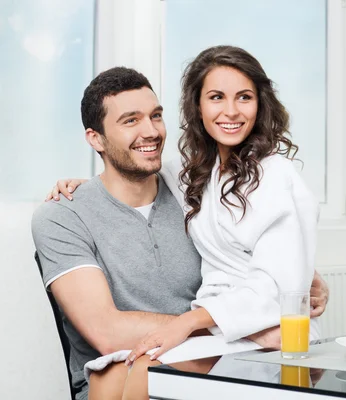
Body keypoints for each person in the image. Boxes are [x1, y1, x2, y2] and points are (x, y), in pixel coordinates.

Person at [38, 46, 327, 400]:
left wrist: (303, 279)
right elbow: (107, 331)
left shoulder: (241, 179)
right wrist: (90, 189)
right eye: (130, 120)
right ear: (94, 138)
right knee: (131, 371)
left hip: (223, 345)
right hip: (202, 342)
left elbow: (276, 264)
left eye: (156, 116)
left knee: (143, 369)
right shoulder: (192, 178)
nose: (150, 132)